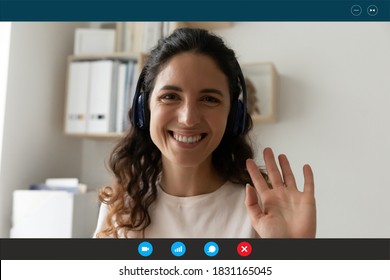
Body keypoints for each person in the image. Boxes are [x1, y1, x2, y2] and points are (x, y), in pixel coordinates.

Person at [94, 28, 316, 238]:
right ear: (145, 109)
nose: (188, 118)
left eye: (209, 99)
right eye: (170, 96)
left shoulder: (265, 209)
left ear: (232, 116)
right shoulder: (119, 208)